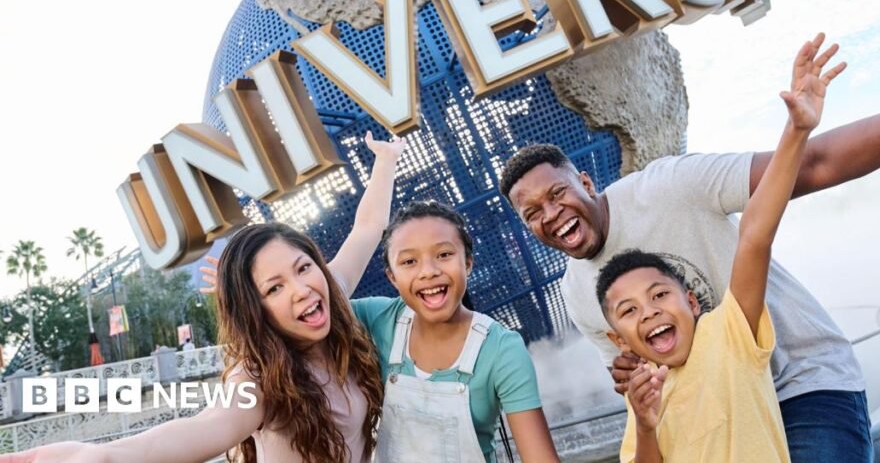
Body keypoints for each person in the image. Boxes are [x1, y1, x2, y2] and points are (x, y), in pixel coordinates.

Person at [500, 0, 880, 462]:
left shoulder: (670, 186)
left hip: (802, 386)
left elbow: (813, 166)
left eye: (557, 193)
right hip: (721, 417)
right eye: (531, 213)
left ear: (587, 182)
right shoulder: (578, 293)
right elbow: (643, 384)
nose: (550, 213)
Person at [8, 132, 401, 463]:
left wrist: (387, 158)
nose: (301, 290)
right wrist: (98, 456)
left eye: (302, 268)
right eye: (273, 288)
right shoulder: (261, 376)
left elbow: (366, 227)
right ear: (255, 310)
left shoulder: (328, 293)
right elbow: (207, 427)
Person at [599, 40, 842, 462]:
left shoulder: (728, 334)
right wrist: (645, 424)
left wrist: (797, 131)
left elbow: (754, 235)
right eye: (630, 310)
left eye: (659, 295)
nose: (651, 311)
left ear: (692, 301)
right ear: (620, 341)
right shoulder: (643, 398)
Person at [351, 200, 559, 463]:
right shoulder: (376, 319)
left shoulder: (501, 349)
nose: (428, 271)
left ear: (468, 262)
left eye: (444, 255)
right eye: (409, 261)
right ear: (392, 277)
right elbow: (317, 299)